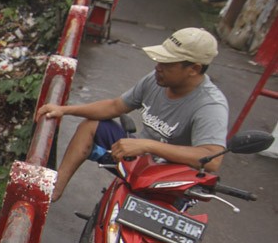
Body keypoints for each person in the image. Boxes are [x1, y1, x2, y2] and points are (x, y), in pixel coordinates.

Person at [36, 27, 229, 202]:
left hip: (171, 179)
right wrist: (64, 110)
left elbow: (212, 159)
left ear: (194, 69)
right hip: (138, 159)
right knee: (91, 125)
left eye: (168, 64)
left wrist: (148, 145)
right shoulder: (156, 80)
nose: (158, 67)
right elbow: (114, 106)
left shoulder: (210, 106)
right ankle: (53, 192)